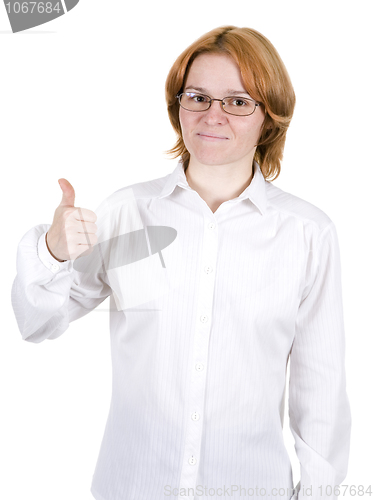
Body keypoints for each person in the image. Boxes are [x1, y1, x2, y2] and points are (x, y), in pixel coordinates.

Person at [11, 25, 351, 500]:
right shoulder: (126, 212)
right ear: (178, 107)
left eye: (237, 101)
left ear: (268, 117)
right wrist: (52, 250)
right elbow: (37, 324)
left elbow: (321, 388)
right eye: (198, 97)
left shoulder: (308, 233)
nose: (213, 115)